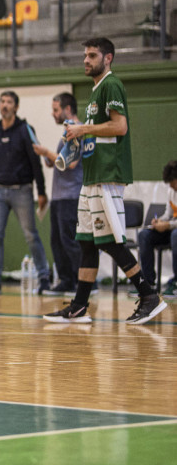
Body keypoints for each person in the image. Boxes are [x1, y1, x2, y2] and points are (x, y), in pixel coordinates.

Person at [45, 37, 167, 325]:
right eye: (85, 55)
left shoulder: (111, 85)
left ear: (108, 58)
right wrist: (77, 135)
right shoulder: (96, 89)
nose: (86, 60)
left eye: (92, 55)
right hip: (92, 175)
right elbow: (97, 130)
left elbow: (119, 125)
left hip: (108, 174)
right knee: (87, 242)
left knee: (110, 240)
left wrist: (83, 128)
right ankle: (78, 306)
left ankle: (148, 295)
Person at [0, 91, 51, 295]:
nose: (5, 105)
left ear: (16, 107)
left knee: (31, 235)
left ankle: (44, 277)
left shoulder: (25, 130)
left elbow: (36, 163)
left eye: (9, 102)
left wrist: (42, 192)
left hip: (22, 191)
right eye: (2, 101)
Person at [33, 92, 84, 295]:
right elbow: (61, 161)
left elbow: (70, 163)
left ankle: (85, 282)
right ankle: (66, 280)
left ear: (67, 109)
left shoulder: (77, 131)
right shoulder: (67, 133)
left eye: (56, 110)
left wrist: (47, 153)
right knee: (58, 241)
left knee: (70, 240)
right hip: (59, 196)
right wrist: (48, 158)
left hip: (71, 196)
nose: (53, 114)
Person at [137, 161, 177, 297]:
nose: (171, 185)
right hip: (172, 228)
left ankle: (176, 282)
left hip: (175, 231)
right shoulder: (172, 190)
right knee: (144, 235)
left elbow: (172, 223)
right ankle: (148, 282)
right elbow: (169, 214)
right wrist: (160, 221)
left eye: (173, 182)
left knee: (175, 235)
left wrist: (168, 225)